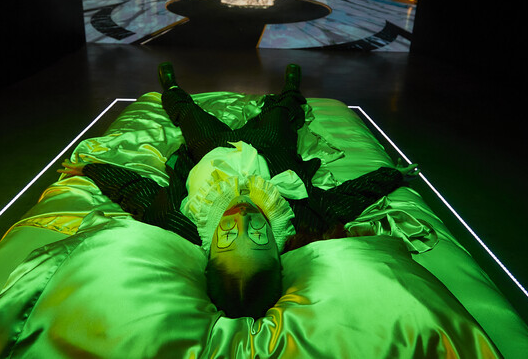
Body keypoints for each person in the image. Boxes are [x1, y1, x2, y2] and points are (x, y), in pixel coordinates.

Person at [58, 63, 420, 319]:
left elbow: (133, 189)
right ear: (278, 250)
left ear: (209, 250)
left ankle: (171, 89)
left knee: (191, 118)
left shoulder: (179, 221)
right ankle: (291, 90)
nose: (242, 219)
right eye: (259, 236)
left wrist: (89, 168)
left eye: (228, 235)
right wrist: (393, 175)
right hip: (268, 151)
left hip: (210, 152)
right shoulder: (302, 220)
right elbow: (352, 196)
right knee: (279, 119)